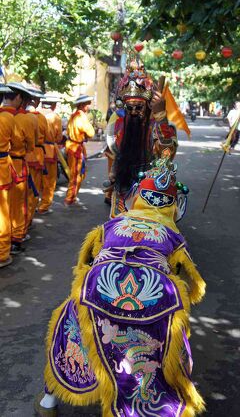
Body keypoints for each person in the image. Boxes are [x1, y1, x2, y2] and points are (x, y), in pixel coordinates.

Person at [34, 157, 206, 417]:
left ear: (139, 196)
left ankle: (49, 400)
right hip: (154, 295)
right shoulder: (172, 234)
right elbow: (195, 284)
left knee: (72, 326)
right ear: (173, 204)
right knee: (168, 340)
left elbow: (83, 261)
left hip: (99, 285)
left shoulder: (114, 224)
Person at [105, 58, 178, 217]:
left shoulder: (160, 125)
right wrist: (114, 175)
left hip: (151, 190)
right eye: (129, 108)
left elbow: (167, 154)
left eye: (138, 107)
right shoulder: (119, 124)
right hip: (124, 188)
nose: (133, 112)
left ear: (148, 106)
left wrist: (161, 118)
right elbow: (118, 154)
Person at [4, 82, 35, 255]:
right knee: (18, 204)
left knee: (5, 205)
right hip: (16, 164)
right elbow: (28, 143)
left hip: (5, 163)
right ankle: (16, 238)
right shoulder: (22, 119)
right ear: (18, 98)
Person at [64, 94, 95, 206]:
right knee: (76, 174)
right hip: (76, 148)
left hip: (72, 146)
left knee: (76, 173)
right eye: (87, 104)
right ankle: (70, 198)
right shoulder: (81, 117)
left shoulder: (73, 116)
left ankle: (72, 196)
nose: (89, 106)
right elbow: (91, 132)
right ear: (82, 105)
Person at [25, 87, 48, 224]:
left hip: (20, 158)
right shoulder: (39, 118)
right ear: (36, 101)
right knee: (34, 190)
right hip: (36, 154)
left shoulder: (16, 116)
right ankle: (27, 222)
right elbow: (43, 135)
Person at [38, 95, 63, 214]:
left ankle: (35, 204)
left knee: (37, 179)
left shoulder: (35, 115)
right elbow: (59, 138)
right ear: (53, 105)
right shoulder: (55, 117)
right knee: (50, 180)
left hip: (36, 152)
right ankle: (44, 206)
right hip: (49, 151)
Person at [0, 84, 15, 267]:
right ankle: (2, 253)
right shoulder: (8, 118)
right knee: (3, 212)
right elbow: (19, 141)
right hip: (3, 167)